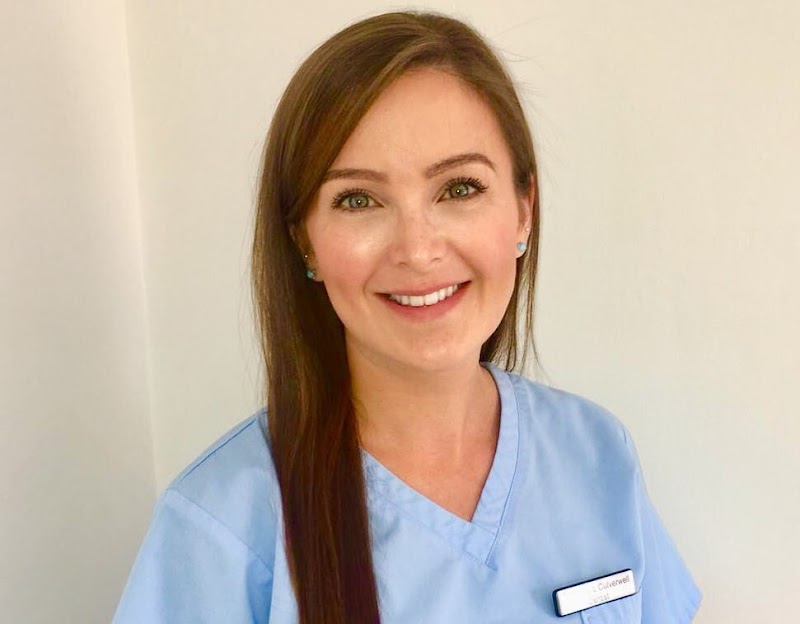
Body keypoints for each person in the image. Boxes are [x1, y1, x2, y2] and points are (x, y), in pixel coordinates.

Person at [113, 11, 701, 624]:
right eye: (358, 200)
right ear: (305, 243)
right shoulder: (218, 527)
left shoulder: (596, 452)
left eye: (459, 188)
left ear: (523, 210)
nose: (418, 251)